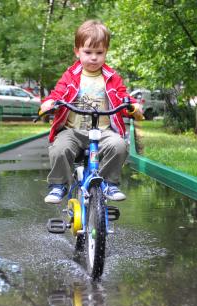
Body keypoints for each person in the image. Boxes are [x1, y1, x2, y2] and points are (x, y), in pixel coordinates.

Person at [40, 20, 143, 204]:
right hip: (73, 131)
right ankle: (59, 184)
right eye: (88, 52)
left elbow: (123, 96)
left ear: (106, 52)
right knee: (59, 149)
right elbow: (58, 93)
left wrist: (134, 106)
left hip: (103, 132)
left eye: (99, 53)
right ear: (77, 51)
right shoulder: (70, 75)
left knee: (119, 146)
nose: (93, 58)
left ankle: (108, 183)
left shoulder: (112, 77)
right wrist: (49, 103)